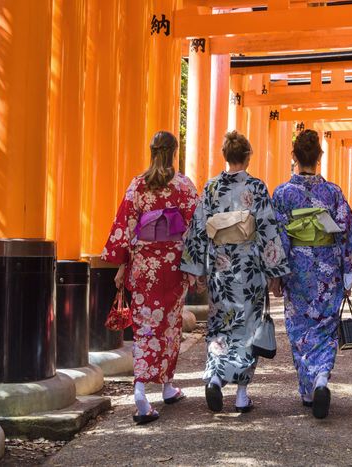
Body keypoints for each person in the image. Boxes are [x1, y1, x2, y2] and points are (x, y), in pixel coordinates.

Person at [181, 130, 290, 414]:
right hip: (250, 270)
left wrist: (198, 269)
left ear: (225, 157)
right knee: (247, 329)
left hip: (220, 269)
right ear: (247, 156)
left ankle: (216, 376)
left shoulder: (211, 188)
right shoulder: (256, 188)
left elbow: (199, 230)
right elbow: (267, 230)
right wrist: (275, 271)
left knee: (220, 325)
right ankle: (241, 395)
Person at [101, 131, 199, 425]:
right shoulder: (182, 185)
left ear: (152, 151)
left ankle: (147, 389)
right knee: (170, 324)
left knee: (145, 327)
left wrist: (123, 263)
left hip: (144, 266)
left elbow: (126, 226)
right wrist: (196, 266)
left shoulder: (138, 185)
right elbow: (195, 226)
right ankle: (162, 387)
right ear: (174, 152)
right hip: (172, 265)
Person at [272, 129, 352, 419]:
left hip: (297, 269)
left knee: (300, 328)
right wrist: (348, 276)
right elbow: (348, 233)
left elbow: (276, 237)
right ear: (319, 157)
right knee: (326, 328)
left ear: (294, 156)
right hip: (328, 270)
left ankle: (308, 389)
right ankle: (322, 378)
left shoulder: (283, 193)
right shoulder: (333, 192)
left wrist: (276, 274)